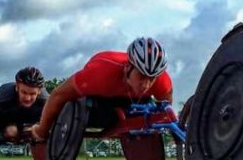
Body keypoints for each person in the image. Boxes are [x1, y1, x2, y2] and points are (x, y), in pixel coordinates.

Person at [30, 37, 173, 141]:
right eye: (142, 76)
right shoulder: (98, 74)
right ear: (128, 67)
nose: (146, 84)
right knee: (106, 116)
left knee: (152, 109)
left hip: (132, 102)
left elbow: (168, 114)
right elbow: (57, 95)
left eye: (152, 78)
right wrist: (42, 130)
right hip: (102, 98)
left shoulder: (162, 81)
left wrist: (176, 137)